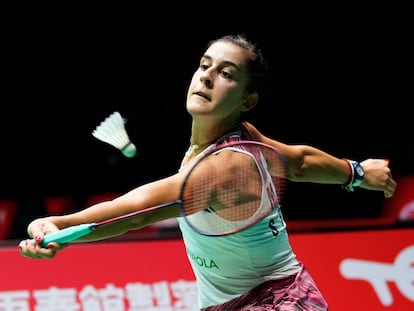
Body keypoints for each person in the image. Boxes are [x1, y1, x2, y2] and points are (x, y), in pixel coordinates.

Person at [19, 34, 396, 310]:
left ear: (247, 100)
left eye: (226, 73)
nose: (207, 77)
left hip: (276, 303)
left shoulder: (227, 167)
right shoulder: (245, 140)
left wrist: (61, 224)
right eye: (204, 66)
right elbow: (298, 162)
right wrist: (357, 171)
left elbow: (137, 210)